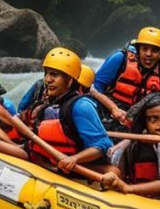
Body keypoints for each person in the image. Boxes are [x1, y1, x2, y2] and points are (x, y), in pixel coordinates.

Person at [13, 47, 118, 177]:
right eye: (47, 74)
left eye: (54, 75)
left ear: (69, 80)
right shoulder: (52, 101)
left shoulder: (81, 106)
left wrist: (74, 159)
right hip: (46, 163)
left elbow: (102, 146)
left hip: (72, 169)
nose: (48, 80)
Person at [99, 92, 160, 197]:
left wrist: (128, 188)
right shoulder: (132, 143)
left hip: (157, 201)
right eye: (154, 119)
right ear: (144, 120)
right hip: (134, 195)